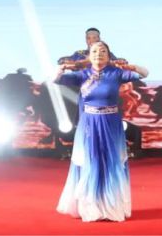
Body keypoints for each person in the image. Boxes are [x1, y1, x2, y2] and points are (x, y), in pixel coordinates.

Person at [55, 41, 148, 222]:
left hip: (111, 123)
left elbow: (145, 73)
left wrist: (131, 67)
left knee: (110, 162)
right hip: (89, 124)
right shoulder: (82, 75)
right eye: (95, 51)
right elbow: (56, 79)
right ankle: (90, 207)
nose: (99, 54)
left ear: (108, 55)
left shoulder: (116, 73)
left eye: (103, 51)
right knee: (92, 161)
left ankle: (110, 206)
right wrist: (63, 68)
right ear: (89, 55)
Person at [57, 28, 123, 65]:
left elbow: (121, 62)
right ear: (86, 39)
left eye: (94, 38)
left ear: (99, 39)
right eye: (88, 38)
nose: (91, 40)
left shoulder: (107, 54)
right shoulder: (79, 53)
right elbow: (61, 61)